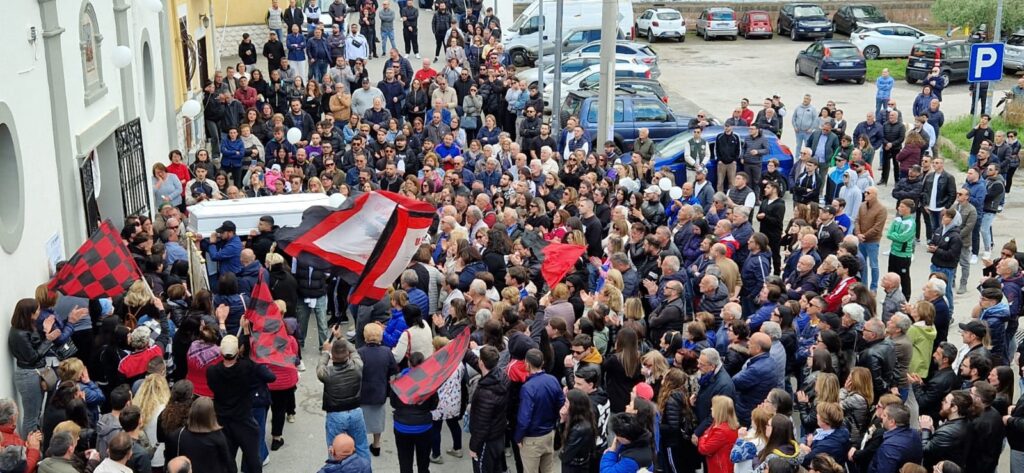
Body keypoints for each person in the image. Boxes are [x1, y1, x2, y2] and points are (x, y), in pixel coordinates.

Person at [207, 335, 274, 473]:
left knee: (227, 461)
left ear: (221, 351)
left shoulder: (212, 372)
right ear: (238, 351)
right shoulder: (247, 368)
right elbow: (268, 374)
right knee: (253, 459)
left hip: (223, 422)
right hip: (244, 421)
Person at [515, 348, 564, 473]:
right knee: (548, 469)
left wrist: (518, 437)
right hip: (549, 434)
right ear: (542, 363)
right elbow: (561, 405)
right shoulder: (552, 380)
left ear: (527, 363)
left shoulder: (527, 388)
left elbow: (524, 418)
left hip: (532, 439)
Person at [469, 346, 508, 473]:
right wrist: (462, 349)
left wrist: (474, 447)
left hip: (486, 442)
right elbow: (475, 361)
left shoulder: (485, 393)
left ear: (482, 362)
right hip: (498, 435)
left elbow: (482, 425)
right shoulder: (501, 375)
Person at [697, 396, 740, 473]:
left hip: (719, 469)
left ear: (719, 410)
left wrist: (701, 438)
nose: (711, 408)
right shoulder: (726, 425)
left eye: (713, 407)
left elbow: (704, 449)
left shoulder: (721, 431)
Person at [560, 389, 596, 473]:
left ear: (574, 406)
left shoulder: (580, 429)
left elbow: (565, 455)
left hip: (575, 466)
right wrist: (562, 420)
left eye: (566, 402)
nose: (564, 404)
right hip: (576, 463)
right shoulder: (578, 419)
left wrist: (561, 453)